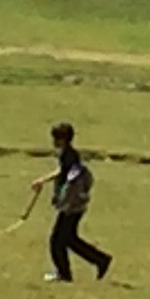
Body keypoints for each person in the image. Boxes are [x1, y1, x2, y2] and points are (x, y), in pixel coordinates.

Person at [33, 120, 110, 282]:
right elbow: (62, 172)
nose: (53, 142)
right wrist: (43, 180)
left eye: (55, 139)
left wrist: (64, 200)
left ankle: (65, 273)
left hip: (71, 206)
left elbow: (71, 180)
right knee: (69, 239)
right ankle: (99, 260)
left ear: (62, 139)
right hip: (74, 205)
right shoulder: (67, 155)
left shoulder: (69, 156)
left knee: (57, 240)